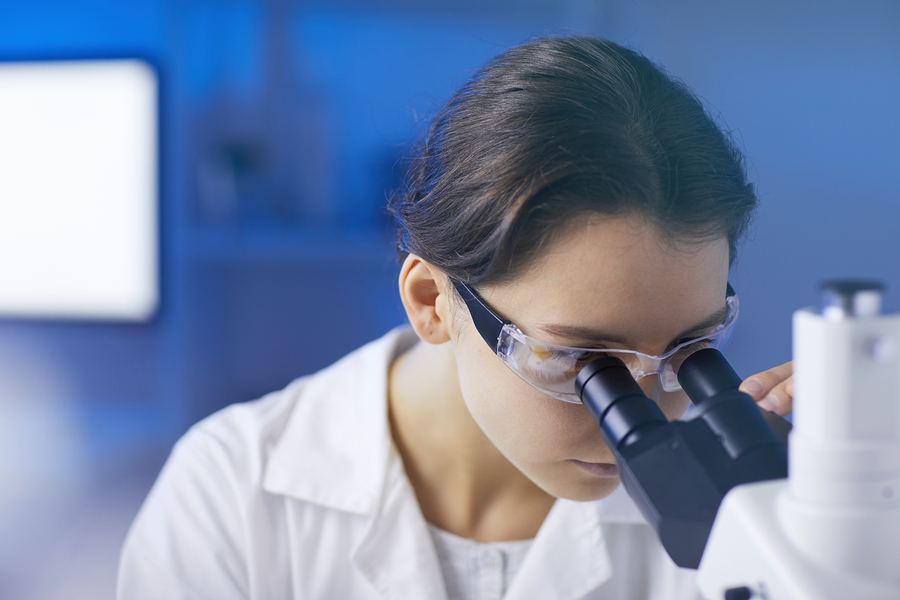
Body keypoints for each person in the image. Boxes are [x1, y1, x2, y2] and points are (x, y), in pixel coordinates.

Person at [117, 36, 794, 599]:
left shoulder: (748, 504)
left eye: (691, 351)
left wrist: (860, 505)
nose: (648, 416)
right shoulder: (232, 494)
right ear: (432, 302)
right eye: (584, 364)